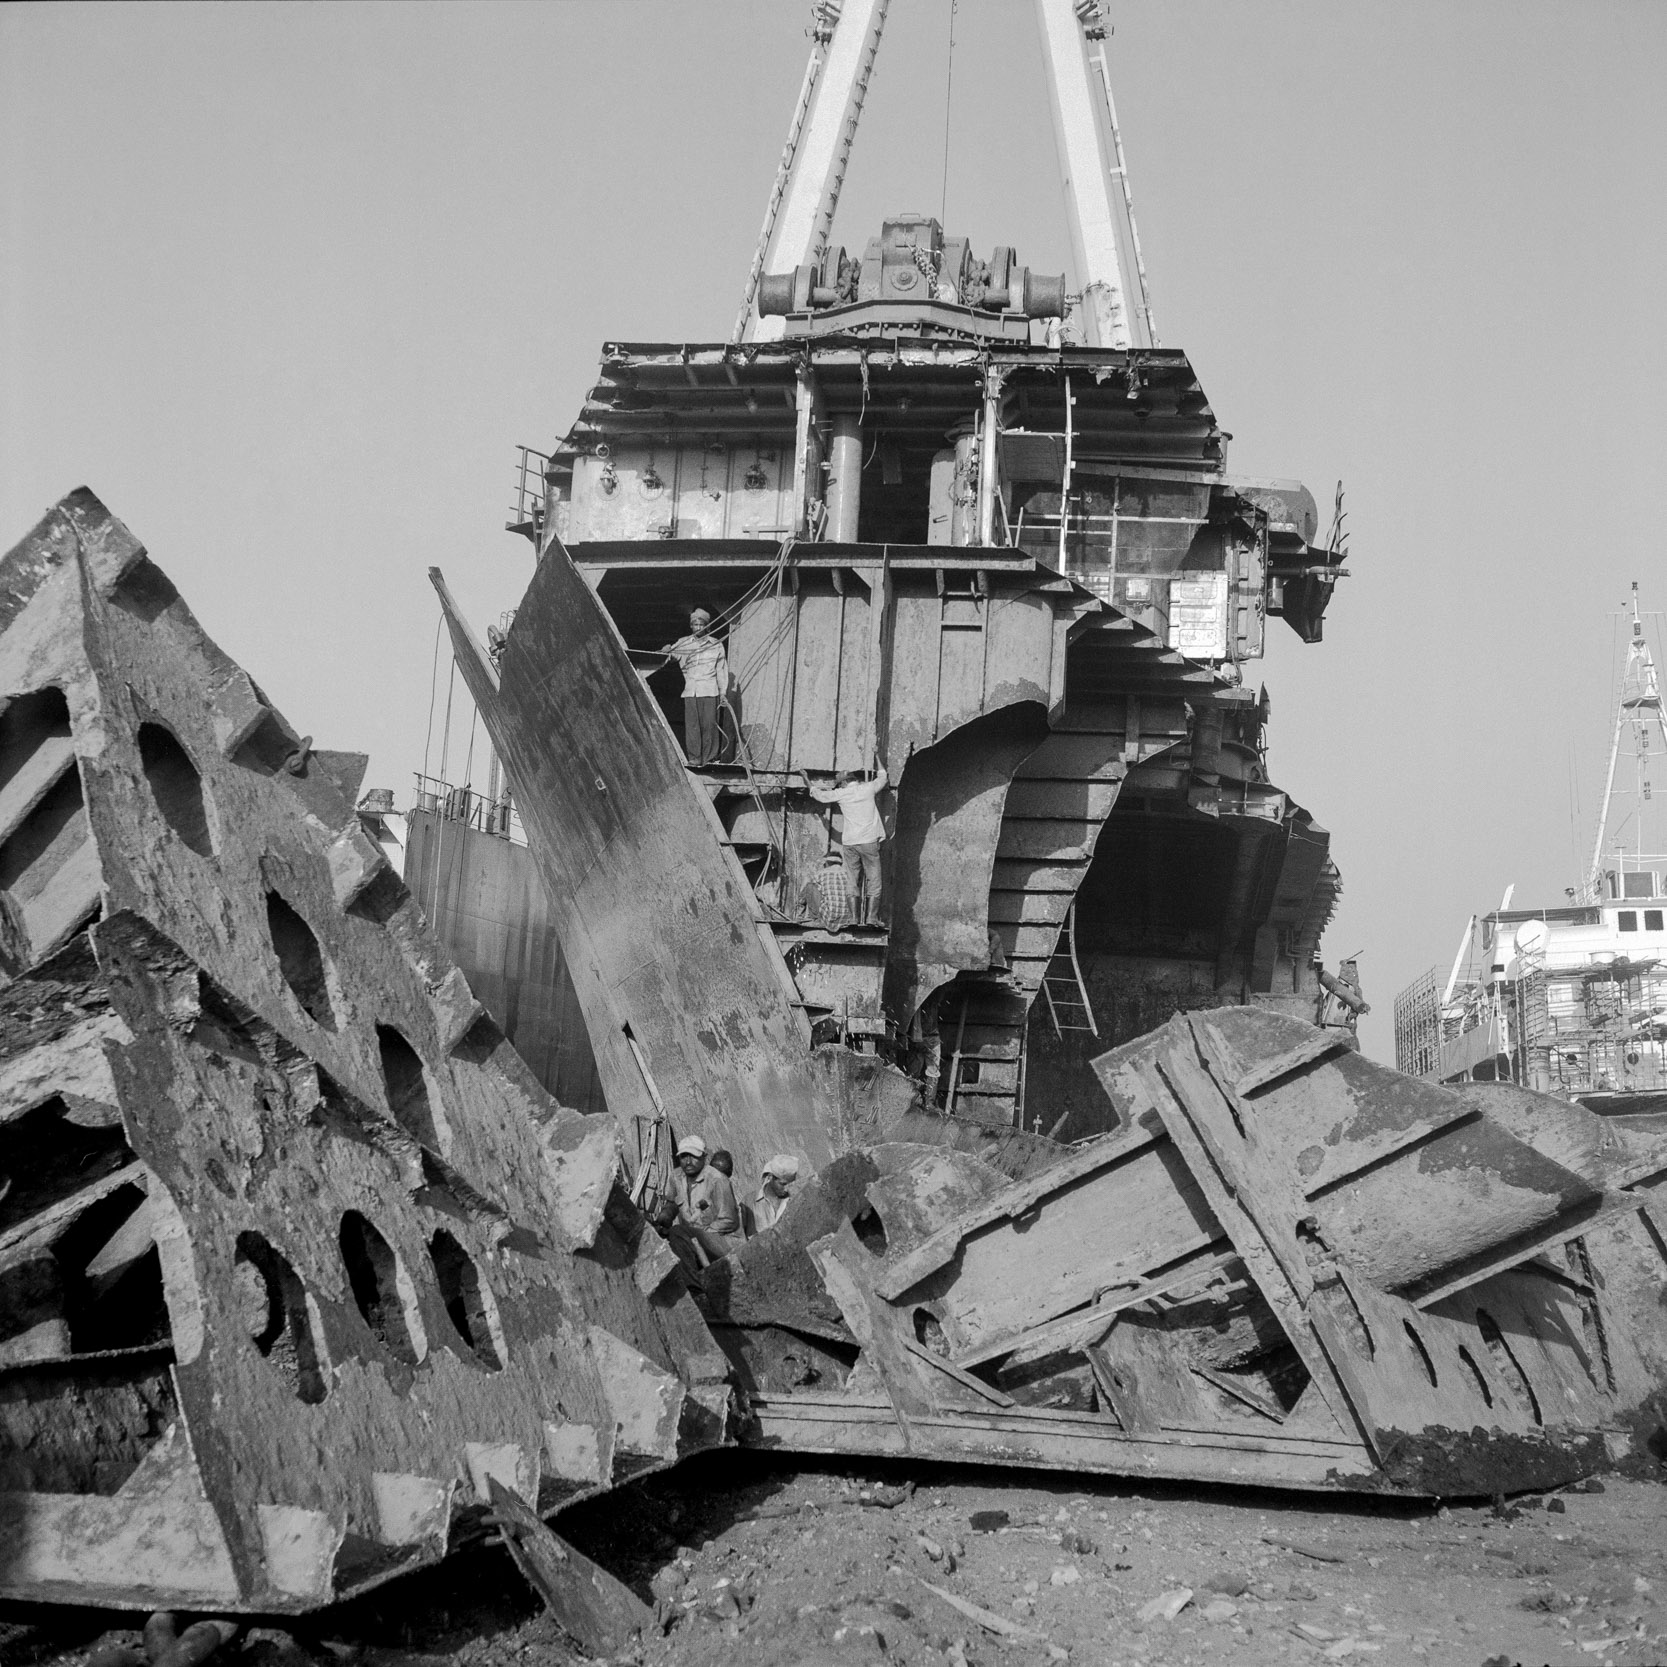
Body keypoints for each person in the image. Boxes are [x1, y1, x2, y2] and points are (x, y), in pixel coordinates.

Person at [803, 764, 888, 925]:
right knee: (874, 879)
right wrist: (877, 758)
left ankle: (854, 918)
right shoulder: (868, 788)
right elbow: (883, 777)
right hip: (869, 841)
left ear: (842, 783)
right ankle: (871, 917)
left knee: (852, 879)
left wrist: (806, 778)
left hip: (850, 843)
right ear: (854, 780)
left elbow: (818, 795)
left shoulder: (841, 793)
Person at [661, 609, 728, 767]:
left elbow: (721, 670)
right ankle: (695, 759)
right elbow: (671, 656)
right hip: (691, 690)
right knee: (692, 726)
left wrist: (723, 693)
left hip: (710, 690)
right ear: (691, 626)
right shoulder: (684, 642)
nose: (698, 628)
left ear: (707, 626)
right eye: (695, 625)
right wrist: (665, 651)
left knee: (709, 725)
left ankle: (710, 759)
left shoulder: (716, 645)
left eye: (701, 624)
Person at [797, 849, 857, 931]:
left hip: (829, 918)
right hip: (847, 920)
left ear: (827, 863)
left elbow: (808, 895)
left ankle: (812, 918)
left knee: (809, 886)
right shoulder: (849, 875)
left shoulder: (821, 873)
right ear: (841, 863)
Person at [755, 1155, 800, 1230]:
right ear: (770, 1177)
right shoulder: (750, 1203)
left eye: (790, 1184)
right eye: (782, 1184)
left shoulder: (794, 1203)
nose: (786, 1189)